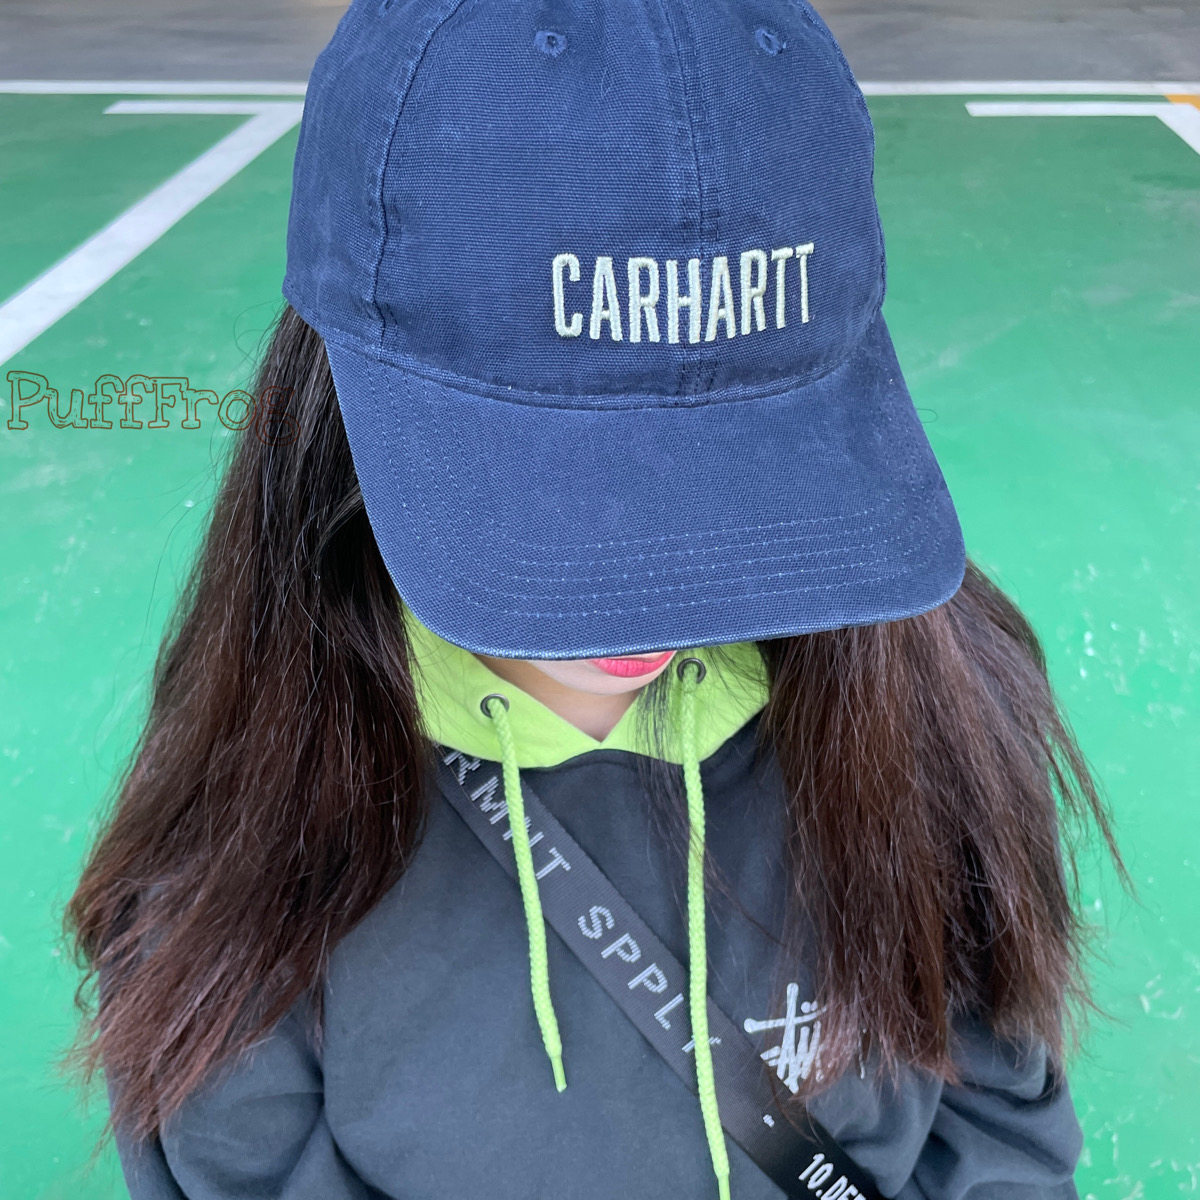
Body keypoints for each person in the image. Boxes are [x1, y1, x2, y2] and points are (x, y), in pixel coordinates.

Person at [62, 0, 1127, 1196]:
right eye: (562, 491)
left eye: (743, 475)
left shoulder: (947, 721)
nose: (660, 601)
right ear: (331, 392)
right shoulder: (254, 824)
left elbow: (998, 1137)